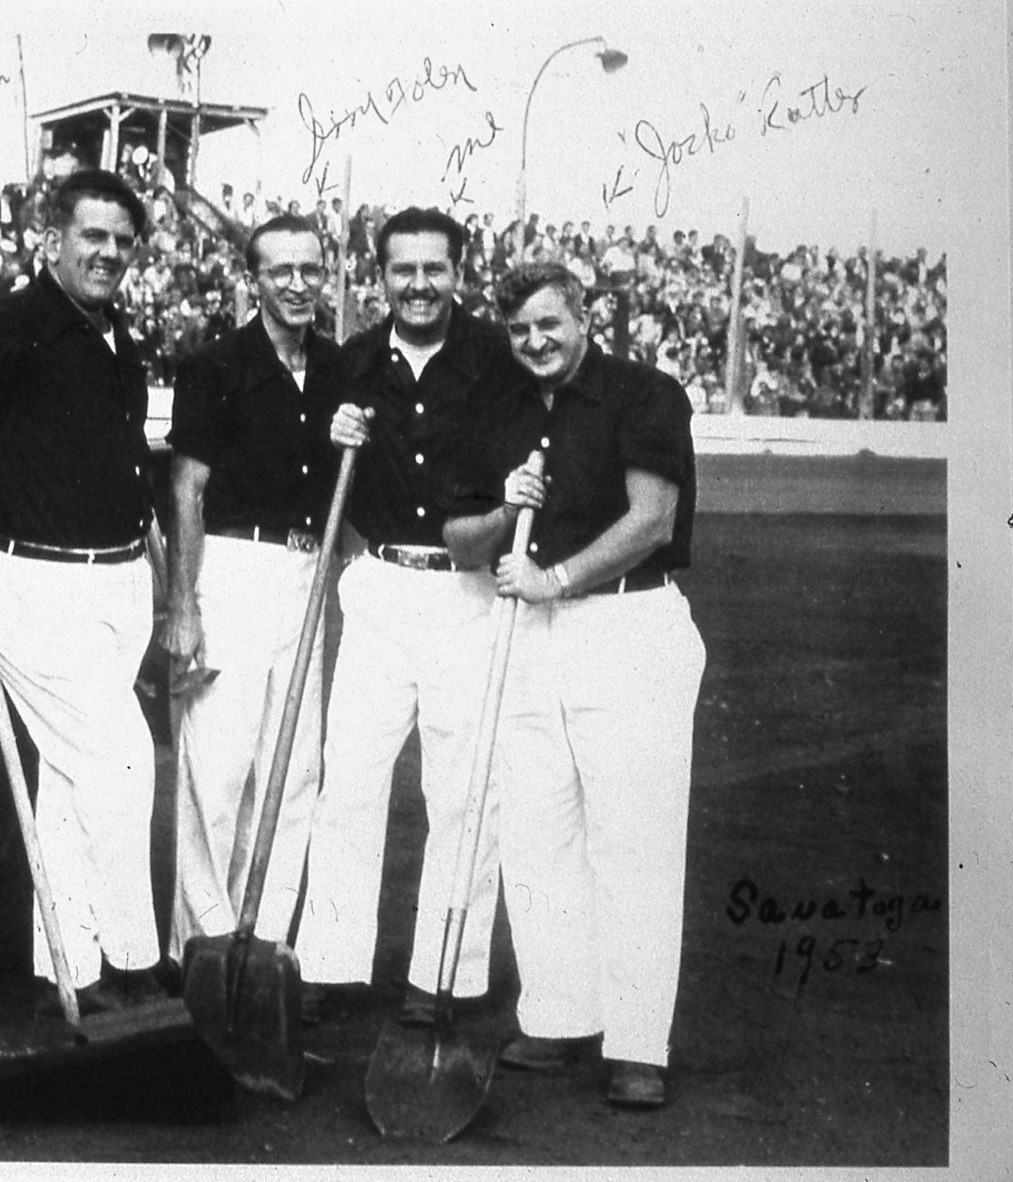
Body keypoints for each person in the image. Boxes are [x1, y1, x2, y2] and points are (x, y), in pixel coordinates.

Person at [0, 169, 166, 1016]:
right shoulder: (8, 319)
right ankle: (134, 963)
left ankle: (70, 971)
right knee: (123, 764)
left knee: (71, 777)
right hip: (38, 586)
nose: (109, 253)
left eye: (123, 242)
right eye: (94, 236)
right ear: (53, 240)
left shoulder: (118, 335)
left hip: (120, 583)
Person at [479, 261, 706, 1109]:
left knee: (634, 840)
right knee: (537, 830)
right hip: (531, 629)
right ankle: (559, 1014)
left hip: (627, 623)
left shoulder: (646, 394)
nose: (535, 341)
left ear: (583, 318)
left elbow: (652, 520)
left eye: (550, 324)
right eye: (520, 330)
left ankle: (637, 1041)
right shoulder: (508, 405)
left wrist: (559, 579)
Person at [295, 207, 529, 1025]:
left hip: (469, 589)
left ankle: (443, 976)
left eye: (435, 269)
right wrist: (333, 433)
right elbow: (316, 469)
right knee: (350, 779)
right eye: (404, 270)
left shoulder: (498, 360)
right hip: (381, 582)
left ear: (458, 274)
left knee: (464, 789)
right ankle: (328, 962)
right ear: (381, 276)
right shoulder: (352, 362)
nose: (419, 285)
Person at [162, 215, 347, 964]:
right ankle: (203, 948)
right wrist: (183, 605)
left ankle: (263, 945)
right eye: (281, 271)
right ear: (255, 280)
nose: (298, 285)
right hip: (233, 569)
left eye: (310, 270)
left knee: (293, 770)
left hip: (309, 573)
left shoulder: (338, 368)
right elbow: (187, 489)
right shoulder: (215, 366)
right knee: (218, 770)